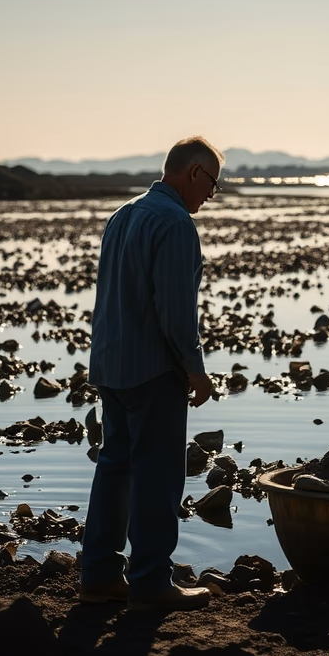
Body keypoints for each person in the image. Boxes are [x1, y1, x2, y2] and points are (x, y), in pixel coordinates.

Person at [79, 136, 223, 611]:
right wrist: (196, 370)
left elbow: (110, 295)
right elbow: (175, 310)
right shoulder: (175, 223)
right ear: (194, 172)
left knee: (115, 467)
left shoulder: (123, 214)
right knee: (159, 475)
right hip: (153, 368)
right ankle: (150, 582)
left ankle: (99, 573)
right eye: (213, 183)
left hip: (111, 364)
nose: (211, 194)